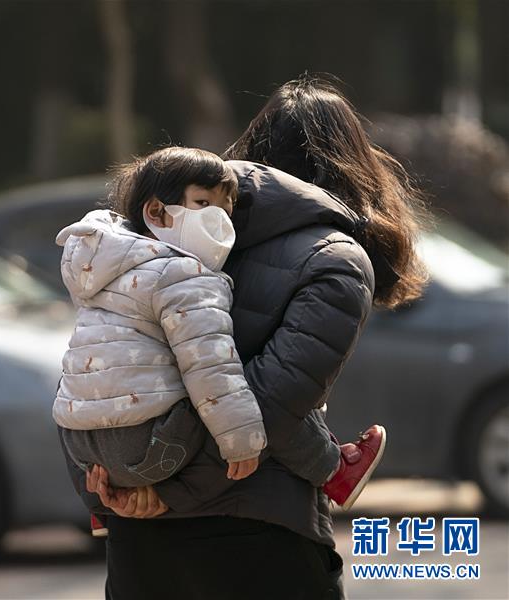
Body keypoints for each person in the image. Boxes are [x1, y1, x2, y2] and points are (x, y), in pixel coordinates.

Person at [70, 75, 429, 600]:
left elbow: (90, 372)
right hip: (259, 538)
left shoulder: (168, 230)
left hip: (141, 539)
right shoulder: (335, 260)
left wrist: (121, 486)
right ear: (356, 168)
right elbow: (267, 405)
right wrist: (167, 492)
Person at [55, 147, 385, 538]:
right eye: (203, 204)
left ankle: (101, 510)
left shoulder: (99, 264)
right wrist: (241, 442)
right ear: (156, 212)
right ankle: (333, 469)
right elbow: (211, 368)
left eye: (226, 210)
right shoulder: (186, 275)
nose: (220, 220)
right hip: (151, 446)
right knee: (250, 388)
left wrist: (100, 490)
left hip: (84, 452)